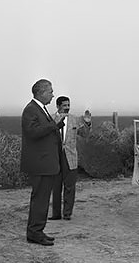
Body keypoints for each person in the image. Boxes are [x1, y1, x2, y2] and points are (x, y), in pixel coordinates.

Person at [20, 79, 65, 246]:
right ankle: (34, 233)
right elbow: (32, 132)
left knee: (43, 198)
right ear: (41, 92)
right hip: (40, 164)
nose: (53, 95)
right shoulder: (31, 110)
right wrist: (54, 127)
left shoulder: (41, 109)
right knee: (40, 198)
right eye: (50, 91)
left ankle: (37, 231)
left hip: (45, 163)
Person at [50, 96, 92, 221]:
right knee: (56, 186)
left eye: (68, 105)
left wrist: (87, 123)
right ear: (58, 106)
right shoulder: (50, 119)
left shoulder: (74, 119)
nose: (67, 107)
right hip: (55, 156)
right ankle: (56, 214)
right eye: (64, 105)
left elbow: (85, 135)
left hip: (70, 156)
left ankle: (67, 214)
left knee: (70, 186)